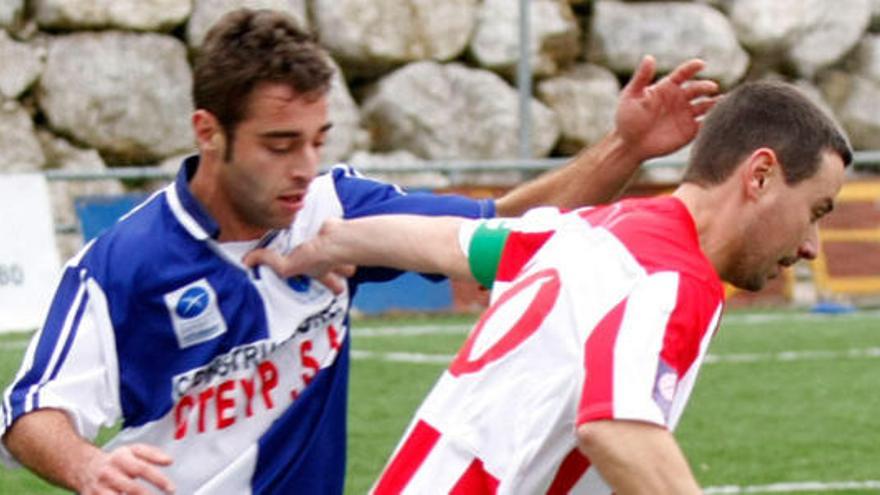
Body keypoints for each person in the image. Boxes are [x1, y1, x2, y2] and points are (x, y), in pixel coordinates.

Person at [0, 8, 719, 495]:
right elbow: (32, 410)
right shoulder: (123, 264)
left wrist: (626, 146)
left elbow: (503, 229)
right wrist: (91, 464)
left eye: (319, 140)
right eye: (280, 144)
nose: (305, 166)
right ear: (208, 132)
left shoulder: (335, 206)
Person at [246, 81, 852, 494]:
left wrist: (332, 242)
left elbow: (446, 242)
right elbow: (614, 427)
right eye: (816, 210)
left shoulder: (592, 228)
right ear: (762, 175)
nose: (810, 246)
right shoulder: (674, 278)